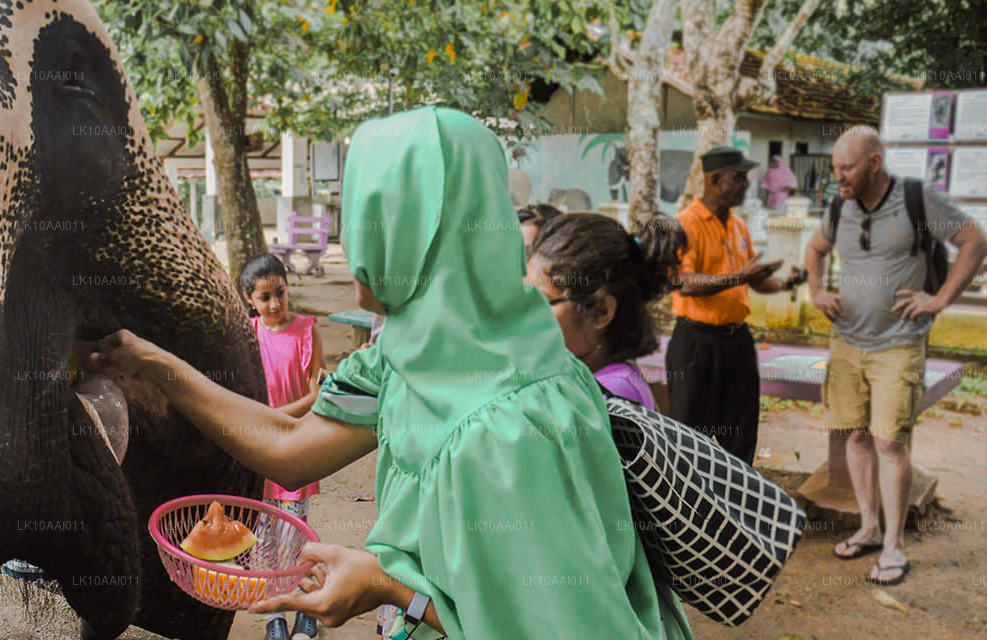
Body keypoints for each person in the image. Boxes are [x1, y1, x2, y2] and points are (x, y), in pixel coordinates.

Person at [87, 107, 691, 639]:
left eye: (366, 209)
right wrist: (149, 361)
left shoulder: (512, 428)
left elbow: (560, 624)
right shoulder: (405, 350)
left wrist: (389, 586)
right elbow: (288, 444)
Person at [805, 125, 986, 586]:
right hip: (847, 341)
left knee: (890, 442)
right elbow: (815, 248)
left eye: (846, 168)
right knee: (857, 436)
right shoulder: (839, 205)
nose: (839, 176)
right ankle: (868, 527)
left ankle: (894, 547)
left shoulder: (916, 199)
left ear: (874, 163)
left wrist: (941, 298)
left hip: (899, 344)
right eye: (835, 168)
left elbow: (974, 240)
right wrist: (816, 290)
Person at [668, 145, 794, 465]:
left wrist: (783, 283)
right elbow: (682, 283)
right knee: (691, 436)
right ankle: (691, 508)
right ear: (714, 180)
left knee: (740, 433)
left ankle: (736, 506)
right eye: (738, 178)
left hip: (737, 342)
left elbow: (752, 280)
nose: (746, 184)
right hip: (696, 345)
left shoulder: (738, 225)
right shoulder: (685, 224)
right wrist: (738, 277)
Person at [239, 253, 326, 640]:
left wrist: (270, 417)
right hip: (260, 454)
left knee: (296, 535)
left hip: (297, 449)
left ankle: (306, 613)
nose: (274, 304)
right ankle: (276, 618)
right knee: (265, 538)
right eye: (264, 297)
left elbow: (315, 395)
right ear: (249, 300)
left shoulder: (308, 329)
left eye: (281, 293)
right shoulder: (248, 334)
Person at [525, 212, 687, 411]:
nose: (527, 313)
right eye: (525, 297)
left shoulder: (614, 394)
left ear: (601, 311)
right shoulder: (582, 377)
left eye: (544, 301)